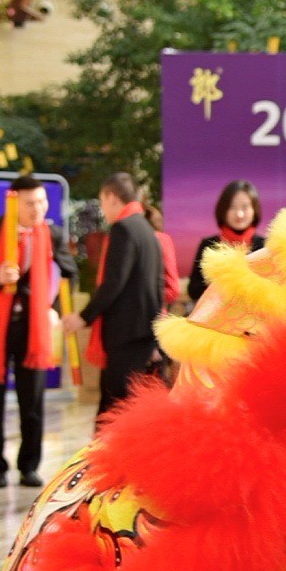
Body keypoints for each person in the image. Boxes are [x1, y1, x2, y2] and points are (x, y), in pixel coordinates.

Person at [0, 172, 64, 489]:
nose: (38, 209)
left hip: (34, 330)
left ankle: (29, 466)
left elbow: (67, 273)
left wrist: (56, 309)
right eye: (30, 203)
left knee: (33, 402)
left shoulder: (51, 234)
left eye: (42, 202)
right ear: (13, 203)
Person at [83, 171, 168, 426]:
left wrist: (83, 316)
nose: (103, 209)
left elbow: (113, 283)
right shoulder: (147, 230)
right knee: (134, 411)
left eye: (101, 202)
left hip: (125, 338)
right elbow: (158, 286)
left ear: (110, 197)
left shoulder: (123, 229)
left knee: (112, 414)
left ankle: (100, 466)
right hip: (144, 337)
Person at [191, 181, 265, 289]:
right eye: (232, 207)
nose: (239, 214)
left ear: (254, 210)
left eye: (245, 207)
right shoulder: (209, 245)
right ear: (223, 210)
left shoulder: (265, 246)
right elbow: (193, 289)